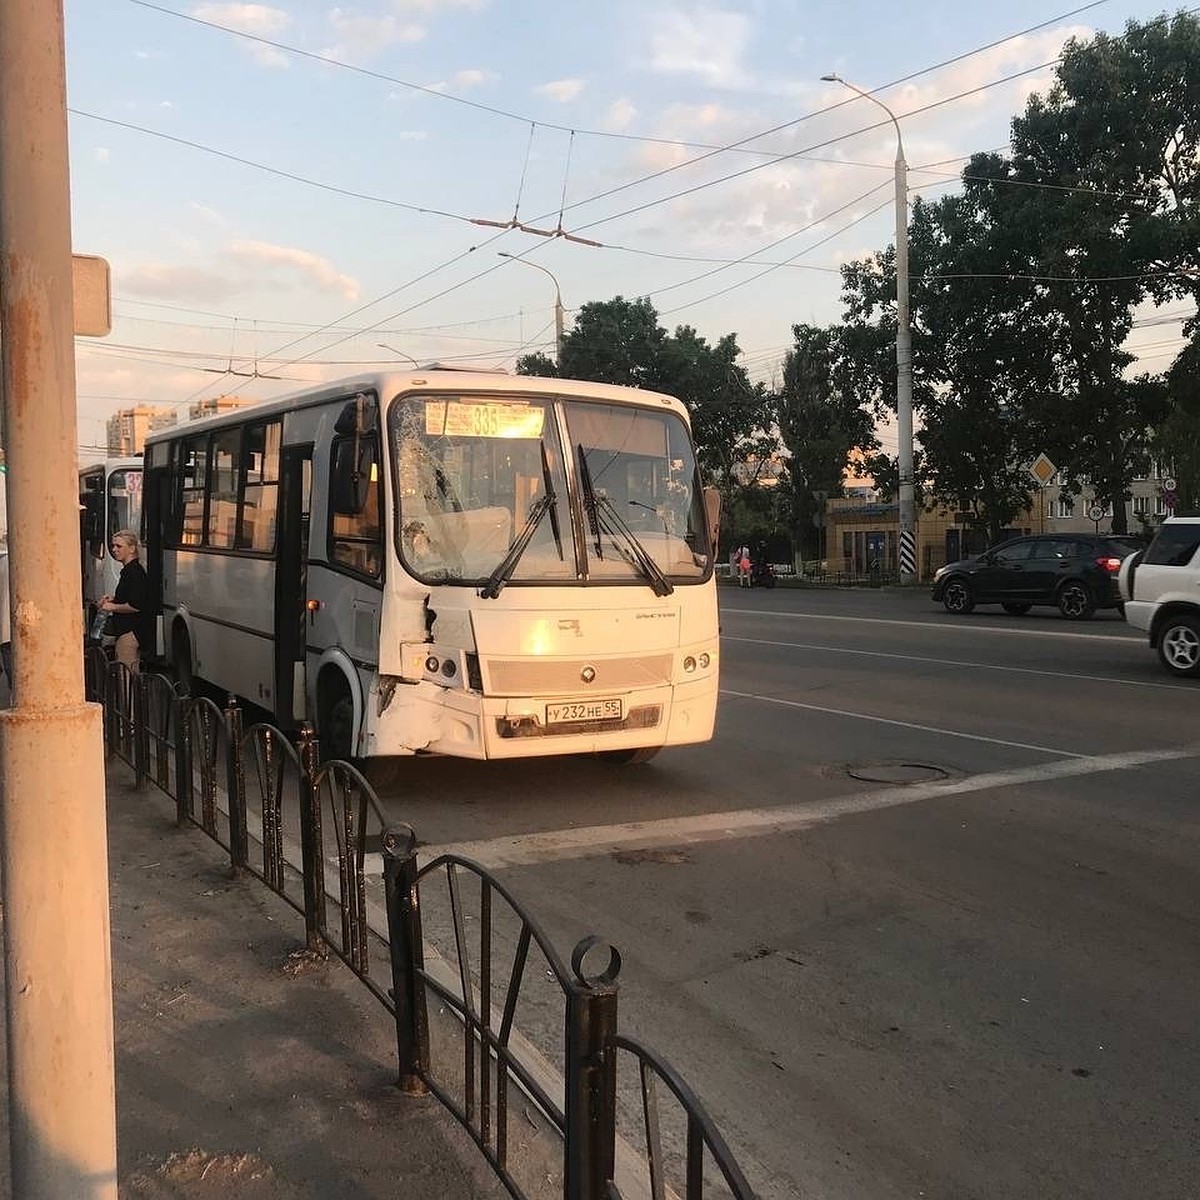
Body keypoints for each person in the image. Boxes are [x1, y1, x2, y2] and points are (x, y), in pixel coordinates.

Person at [100, 529, 153, 674]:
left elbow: (135, 605)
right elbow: (130, 598)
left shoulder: (134, 572)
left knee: (127, 678)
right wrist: (113, 599)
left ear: (131, 549)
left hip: (130, 632)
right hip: (127, 631)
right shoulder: (129, 571)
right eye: (113, 546)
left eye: (119, 546)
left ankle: (130, 698)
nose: (114, 550)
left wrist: (112, 606)